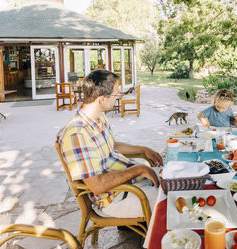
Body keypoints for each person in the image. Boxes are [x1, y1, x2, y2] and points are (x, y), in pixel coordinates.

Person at [57, 69, 163, 218]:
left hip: (131, 185)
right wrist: (138, 169)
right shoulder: (77, 134)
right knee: (169, 206)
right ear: (101, 99)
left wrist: (144, 149)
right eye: (115, 94)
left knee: (174, 183)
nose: (118, 97)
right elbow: (97, 185)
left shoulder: (98, 117)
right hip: (115, 198)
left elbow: (111, 146)